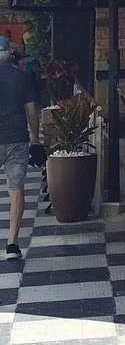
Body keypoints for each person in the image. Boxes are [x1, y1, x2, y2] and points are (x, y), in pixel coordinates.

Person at [0, 36, 42, 260]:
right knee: (16, 189)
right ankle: (12, 244)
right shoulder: (22, 77)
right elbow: (32, 110)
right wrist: (35, 138)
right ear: (10, 54)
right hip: (17, 138)